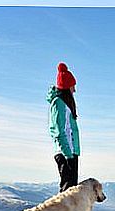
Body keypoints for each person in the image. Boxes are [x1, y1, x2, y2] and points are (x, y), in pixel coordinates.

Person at [46, 62, 81, 192]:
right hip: (66, 153)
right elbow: (58, 131)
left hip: (70, 152)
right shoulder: (58, 103)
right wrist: (68, 155)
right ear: (67, 87)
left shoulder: (64, 103)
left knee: (71, 192)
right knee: (67, 192)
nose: (74, 90)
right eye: (73, 87)